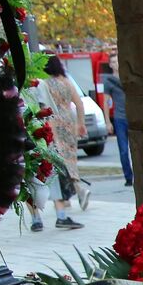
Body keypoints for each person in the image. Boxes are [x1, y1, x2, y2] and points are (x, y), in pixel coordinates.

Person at [36, 55, 85, 231]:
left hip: (53, 125)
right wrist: (81, 123)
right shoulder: (66, 81)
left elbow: (43, 108)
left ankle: (75, 191)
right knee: (71, 160)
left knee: (58, 162)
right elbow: (79, 104)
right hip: (68, 123)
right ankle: (78, 188)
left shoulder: (43, 84)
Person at [99, 61, 133, 189]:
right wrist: (107, 121)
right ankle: (128, 177)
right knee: (123, 150)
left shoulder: (129, 78)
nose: (115, 63)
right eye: (112, 62)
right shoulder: (109, 82)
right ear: (111, 65)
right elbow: (106, 101)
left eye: (117, 61)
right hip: (119, 119)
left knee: (136, 149)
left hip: (132, 117)